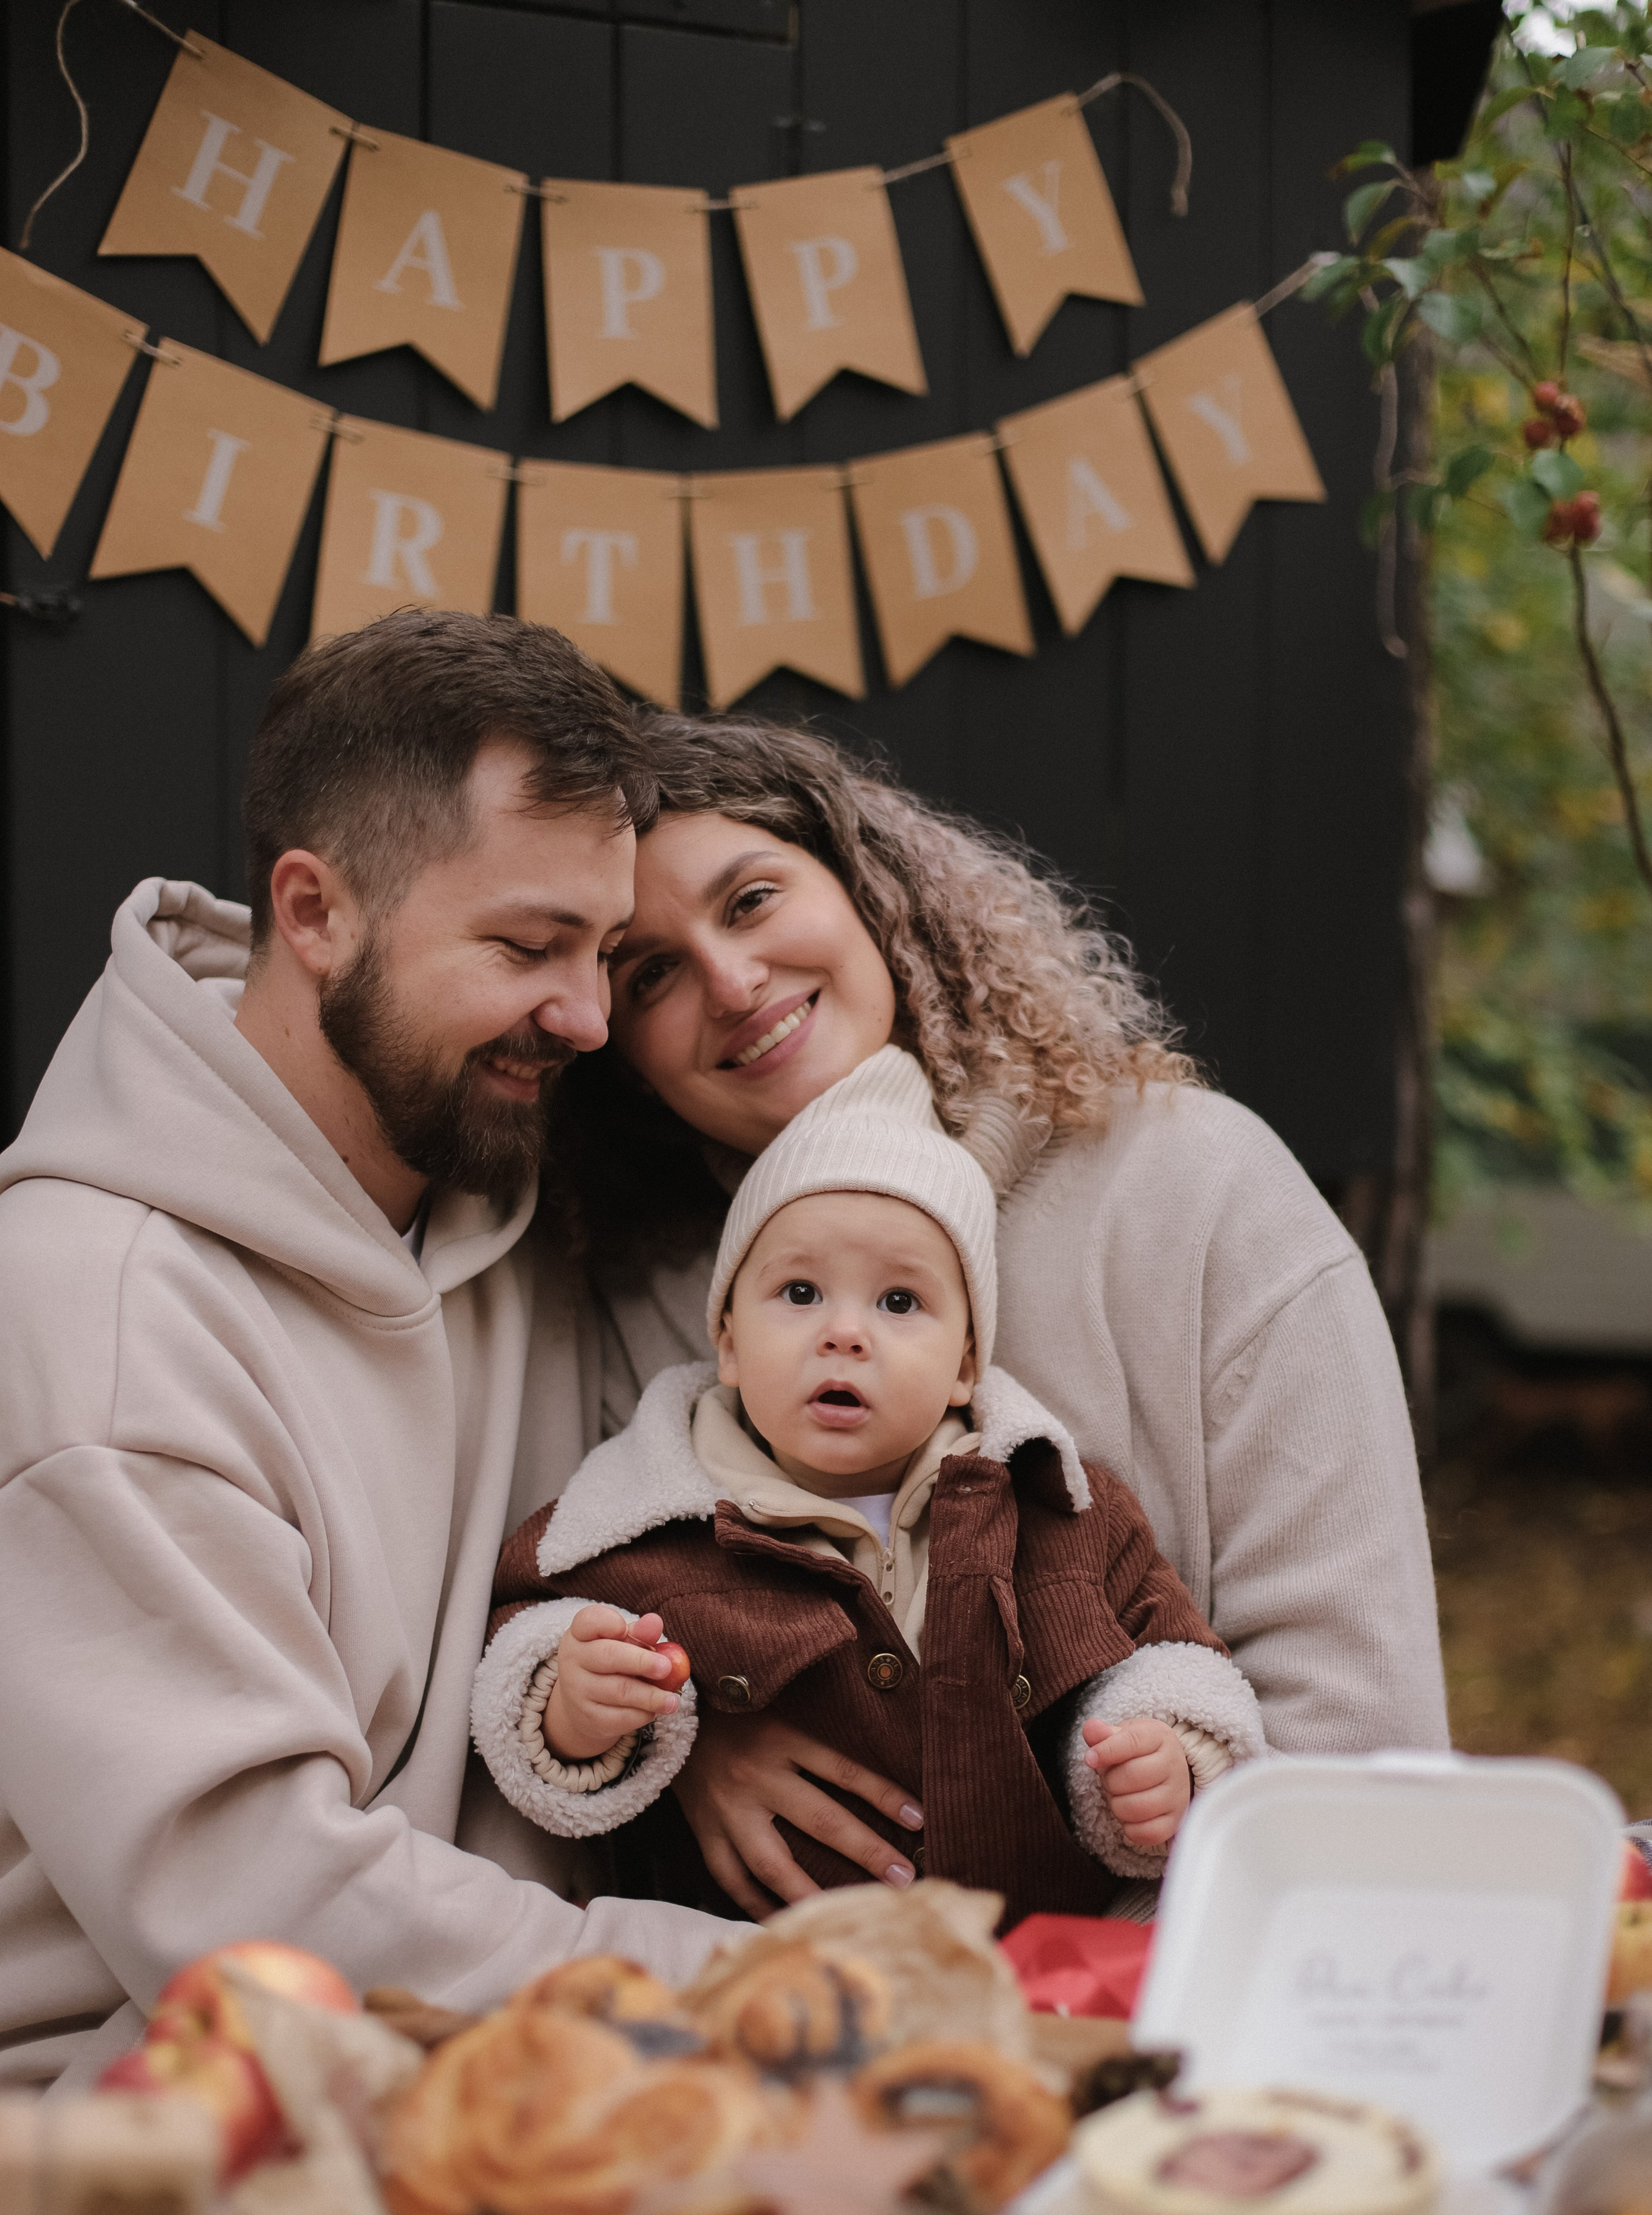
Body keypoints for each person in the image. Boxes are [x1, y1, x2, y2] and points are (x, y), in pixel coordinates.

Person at [533, 712, 1451, 1921]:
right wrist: (694, 1742)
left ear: (871, 887)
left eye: (751, 900)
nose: (730, 981)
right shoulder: (648, 1294)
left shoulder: (1196, 1186)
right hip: (804, 2023)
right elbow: (577, 1628)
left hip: (1191, 1991)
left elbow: (1358, 1714)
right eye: (648, 971)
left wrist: (1100, 1991)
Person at [0, 612, 744, 2092]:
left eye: (603, 952)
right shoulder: (97, 1318)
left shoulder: (491, 1188)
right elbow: (260, 1916)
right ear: (315, 911)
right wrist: (754, 1985)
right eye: (528, 947)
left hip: (496, 2066)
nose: (589, 1018)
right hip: (147, 2146)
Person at [475, 1057, 1267, 1923]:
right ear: (728, 1341)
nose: (845, 1334)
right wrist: (574, 1712)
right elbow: (524, 1642)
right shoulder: (639, 1531)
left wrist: (1168, 1760)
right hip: (758, 1989)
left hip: (1032, 1977)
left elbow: (1172, 1657)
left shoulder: (1059, 1513)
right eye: (801, 1292)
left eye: (899, 1301)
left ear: (967, 1364)